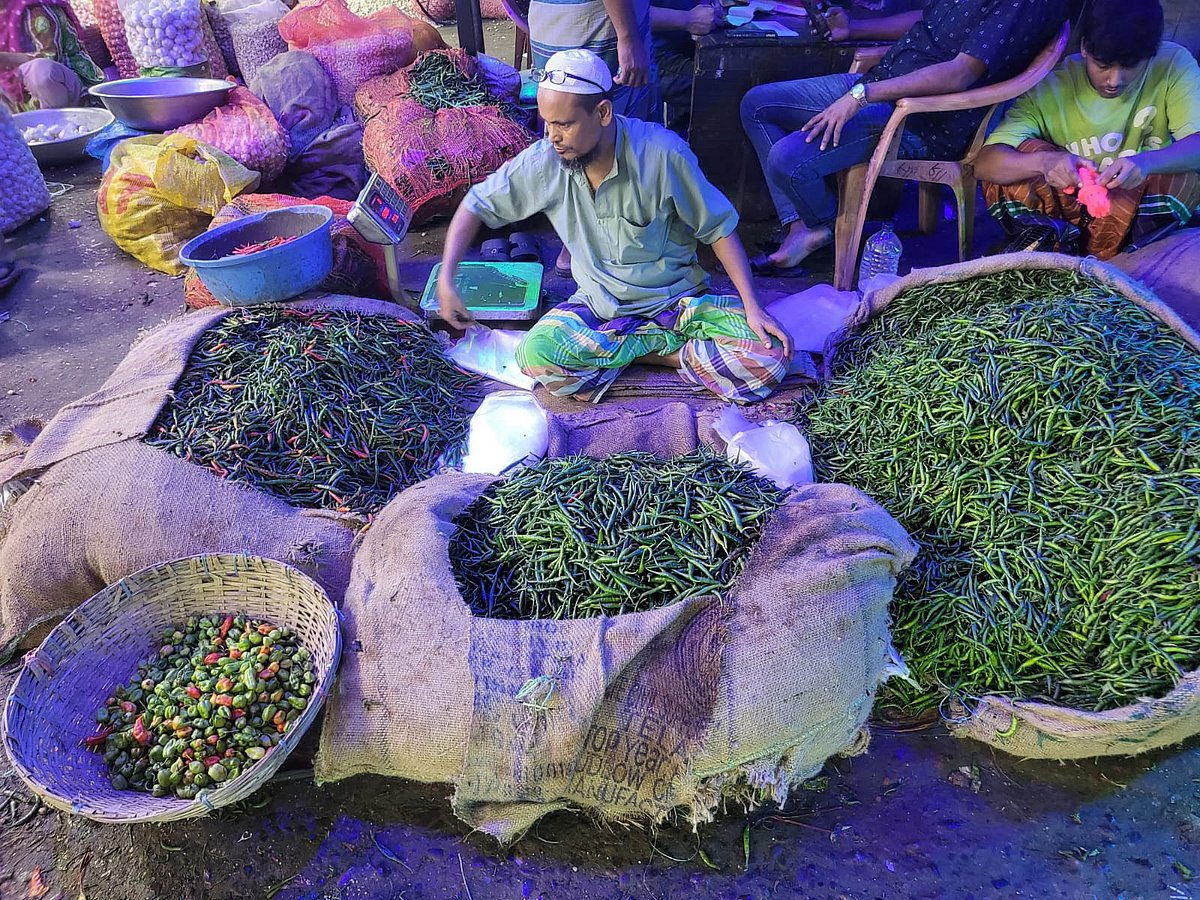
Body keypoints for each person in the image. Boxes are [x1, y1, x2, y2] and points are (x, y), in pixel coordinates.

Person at [438, 49, 792, 405]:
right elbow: (475, 204)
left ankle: (627, 354)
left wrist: (753, 306)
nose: (552, 137)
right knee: (535, 354)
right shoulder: (546, 161)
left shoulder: (663, 154)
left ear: (603, 113)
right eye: (547, 124)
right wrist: (446, 279)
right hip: (599, 310)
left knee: (770, 355)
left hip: (679, 306)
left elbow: (718, 228)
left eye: (564, 124)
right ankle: (663, 355)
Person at [739, 0, 1068, 275]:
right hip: (882, 84)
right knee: (757, 105)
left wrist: (860, 96)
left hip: (919, 118)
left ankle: (822, 224)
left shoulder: (1025, 4)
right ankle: (807, 224)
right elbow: (929, 21)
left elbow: (960, 73)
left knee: (786, 159)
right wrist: (854, 28)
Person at [975, 0, 1200, 259]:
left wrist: (1145, 163)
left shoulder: (1174, 64)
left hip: (1135, 212)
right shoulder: (1052, 85)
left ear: (1152, 54)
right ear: (1084, 48)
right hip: (1068, 211)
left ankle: (1123, 262)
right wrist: (1046, 162)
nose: (1115, 80)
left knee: (1183, 176)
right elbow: (985, 164)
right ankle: (1061, 251)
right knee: (1021, 160)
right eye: (1103, 65)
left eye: (1131, 66)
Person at [1, 0, 104, 112]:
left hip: (66, 86)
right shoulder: (4, 14)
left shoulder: (36, 9)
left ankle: (59, 121)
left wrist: (6, 58)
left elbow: (51, 56)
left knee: (39, 69)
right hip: (22, 94)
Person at [650, 0, 723, 135]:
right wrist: (688, 19)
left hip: (686, 41)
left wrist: (709, 7)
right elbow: (629, 15)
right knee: (724, 91)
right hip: (650, 54)